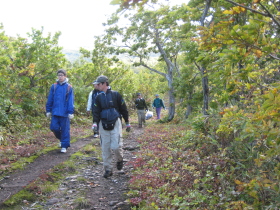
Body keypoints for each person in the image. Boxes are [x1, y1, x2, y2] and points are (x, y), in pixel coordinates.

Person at [91, 75, 131, 178]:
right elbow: (95, 111)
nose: (97, 86)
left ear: (104, 84)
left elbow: (123, 109)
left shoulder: (116, 95)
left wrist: (127, 122)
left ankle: (119, 159)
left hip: (115, 122)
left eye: (99, 84)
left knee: (116, 146)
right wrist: (95, 123)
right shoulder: (98, 97)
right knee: (105, 147)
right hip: (103, 123)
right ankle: (108, 169)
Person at [46, 69, 74, 153]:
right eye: (59, 75)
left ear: (65, 76)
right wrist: (48, 110)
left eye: (62, 75)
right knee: (54, 127)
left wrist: (70, 112)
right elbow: (50, 99)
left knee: (65, 129)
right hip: (55, 112)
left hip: (64, 113)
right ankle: (62, 140)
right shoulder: (54, 86)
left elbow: (70, 100)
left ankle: (64, 146)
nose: (60, 77)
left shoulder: (69, 87)